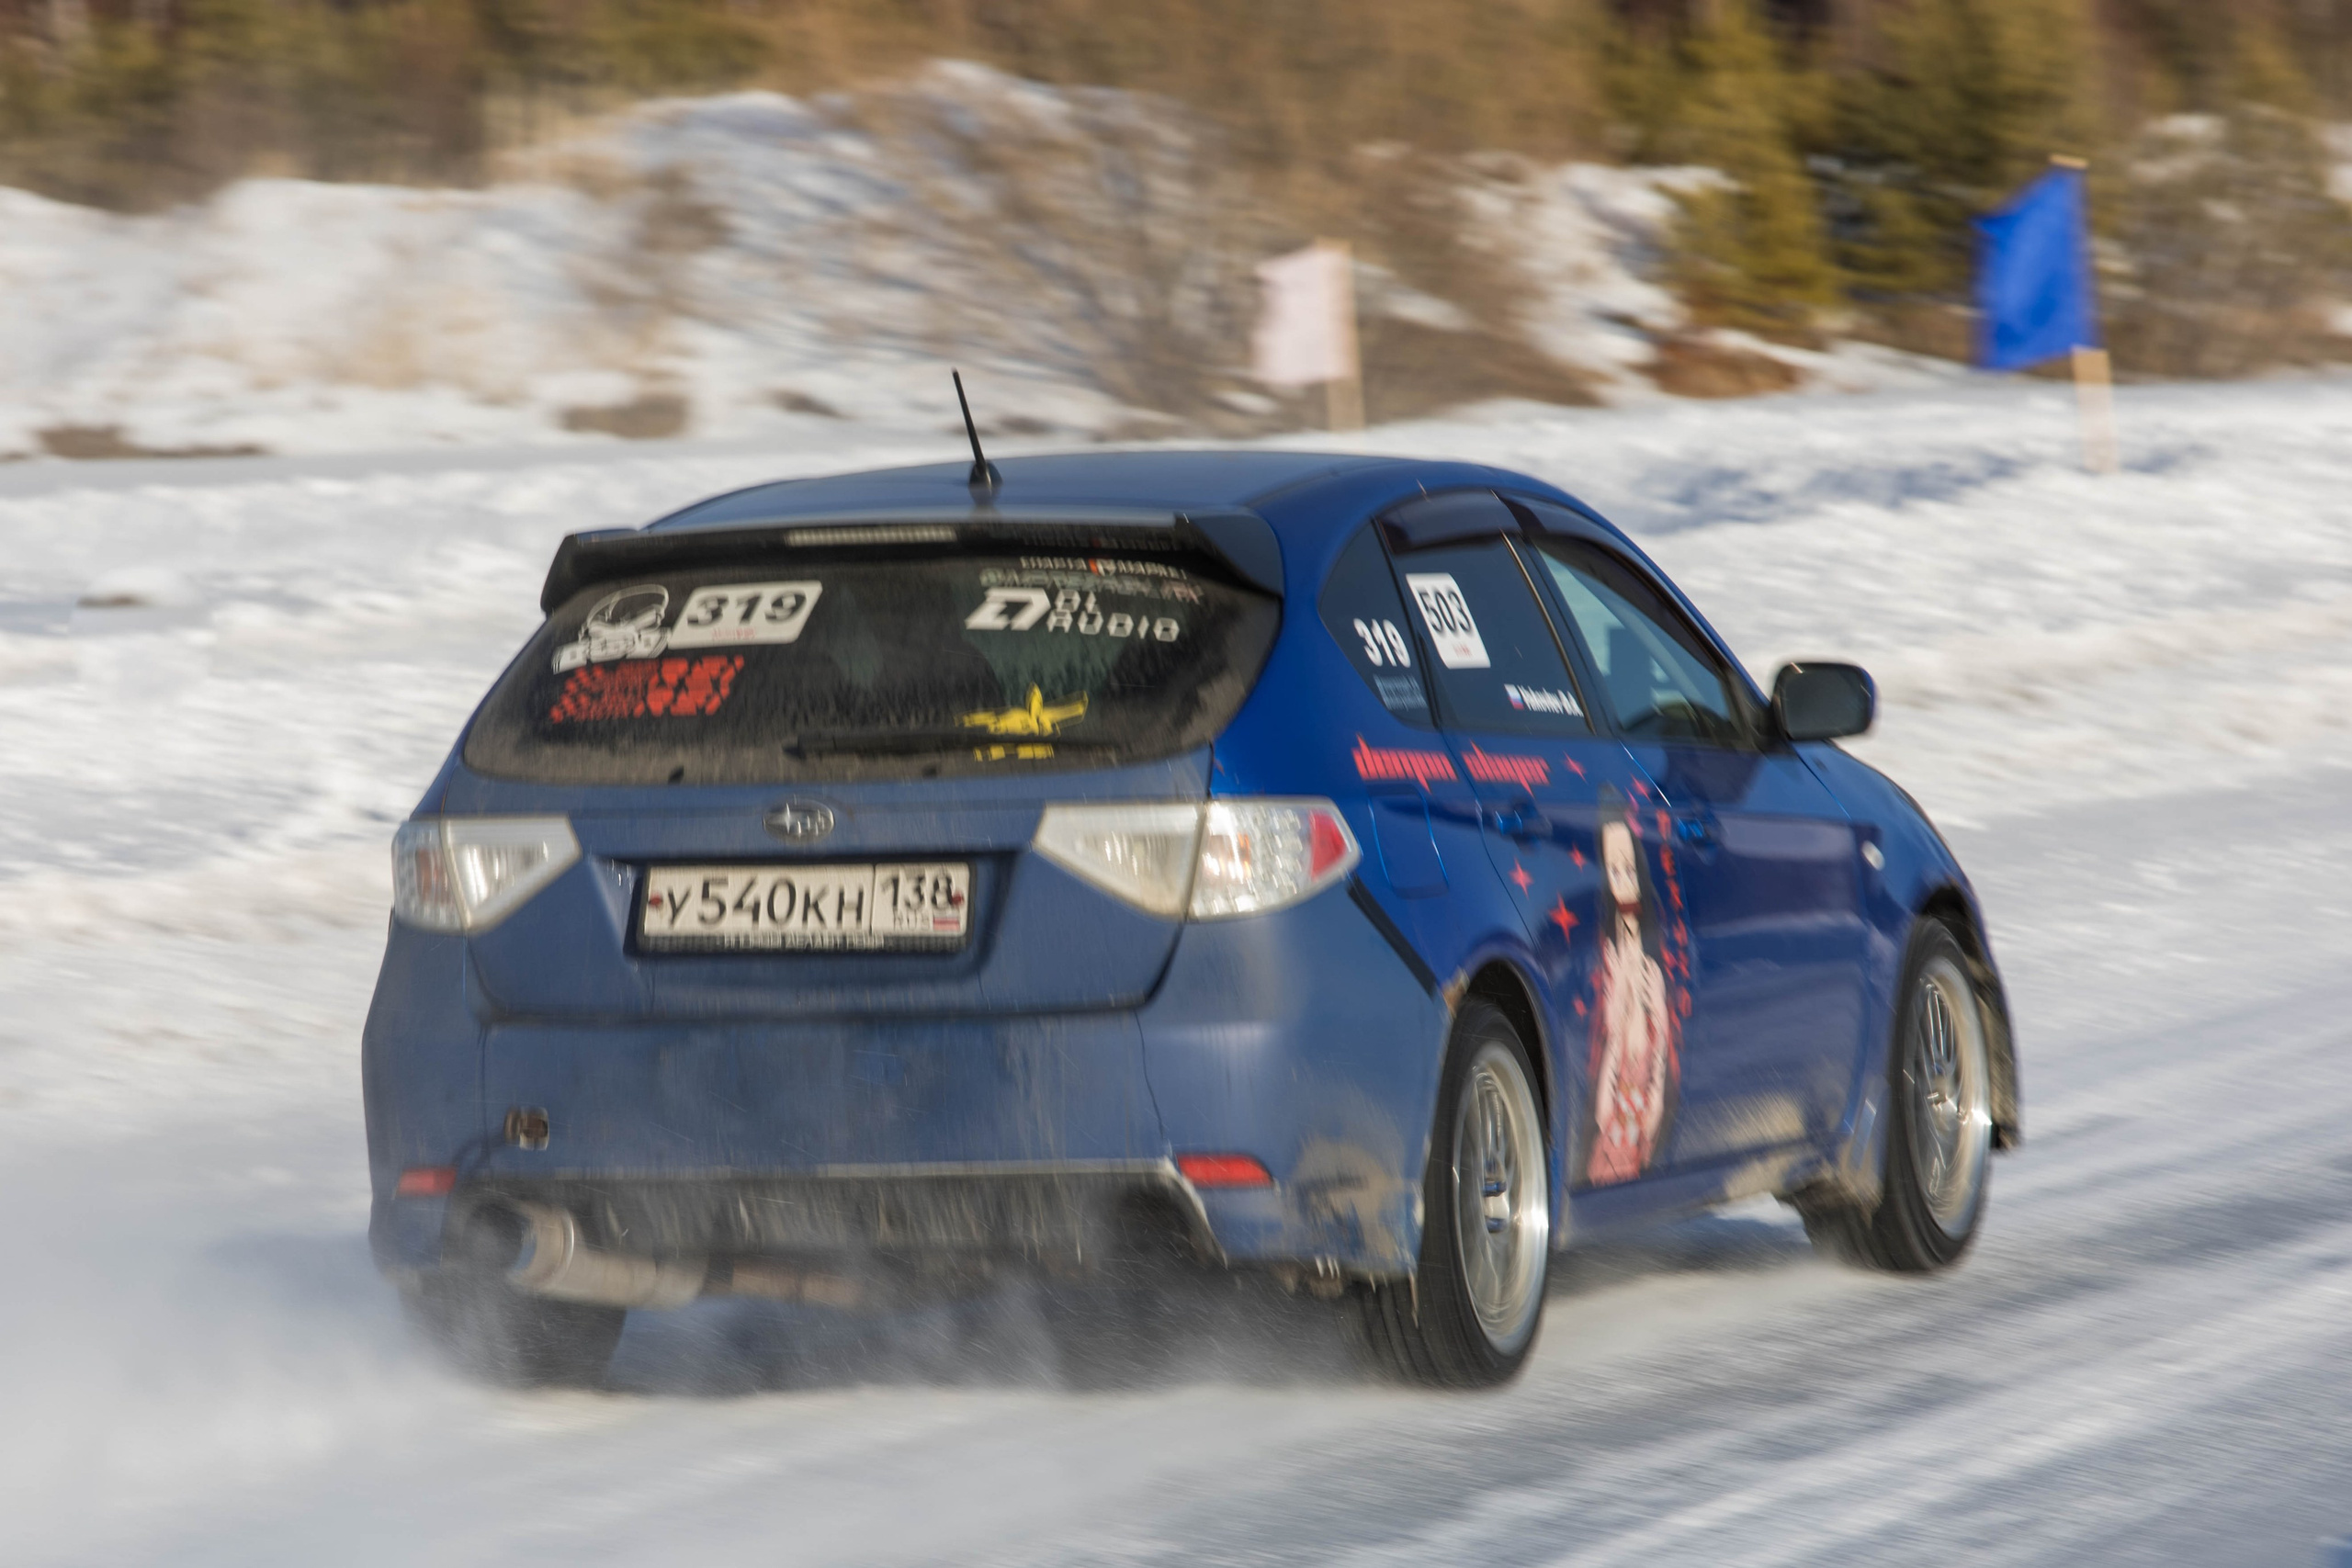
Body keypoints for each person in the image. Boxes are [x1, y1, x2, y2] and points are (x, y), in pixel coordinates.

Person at [1587, 811, 1676, 1184]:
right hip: (1619, 1093)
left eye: (1629, 869)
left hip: (1640, 1092)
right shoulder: (1611, 960)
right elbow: (1612, 1038)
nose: (1623, 881)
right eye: (1613, 871)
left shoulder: (1651, 971)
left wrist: (1654, 1094)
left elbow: (1659, 1040)